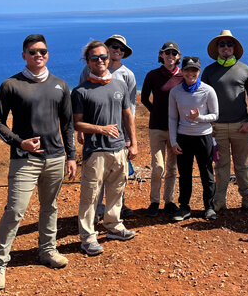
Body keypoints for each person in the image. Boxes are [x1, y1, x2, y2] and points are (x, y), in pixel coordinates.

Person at [0, 33, 77, 291]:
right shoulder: (11, 85)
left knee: (50, 207)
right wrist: (20, 142)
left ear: (48, 55)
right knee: (15, 211)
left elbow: (68, 124)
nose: (39, 55)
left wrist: (71, 156)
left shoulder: (60, 85)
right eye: (33, 51)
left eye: (43, 52)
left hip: (55, 158)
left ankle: (47, 251)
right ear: (24, 55)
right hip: (24, 159)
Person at [71, 40, 138, 255]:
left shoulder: (120, 84)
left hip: (119, 149)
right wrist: (100, 129)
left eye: (103, 57)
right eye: (94, 58)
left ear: (109, 58)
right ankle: (88, 237)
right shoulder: (81, 91)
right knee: (90, 196)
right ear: (87, 61)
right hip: (95, 152)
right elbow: (76, 123)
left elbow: (127, 115)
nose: (100, 61)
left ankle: (114, 226)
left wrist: (133, 143)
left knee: (117, 191)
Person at [79, 35, 135, 220]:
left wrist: (130, 138)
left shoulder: (126, 75)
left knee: (118, 175)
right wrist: (81, 130)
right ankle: (96, 211)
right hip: (95, 139)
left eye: (121, 48)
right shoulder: (88, 73)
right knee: (96, 178)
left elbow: (129, 109)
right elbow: (81, 105)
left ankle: (116, 213)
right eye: (114, 47)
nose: (117, 50)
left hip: (119, 137)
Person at [201, 30, 248, 212]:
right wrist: (208, 124)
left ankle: (247, 198)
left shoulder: (245, 70)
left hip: (241, 125)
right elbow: (202, 99)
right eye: (222, 44)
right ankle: (219, 201)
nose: (225, 47)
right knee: (221, 165)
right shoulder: (209, 71)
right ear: (217, 48)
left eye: (229, 44)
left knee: (242, 164)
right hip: (217, 127)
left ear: (234, 48)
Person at [168, 56, 219, 221]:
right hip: (184, 137)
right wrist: (173, 141)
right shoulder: (175, 92)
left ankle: (209, 207)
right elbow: (172, 118)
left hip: (203, 137)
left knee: (206, 173)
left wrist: (199, 118)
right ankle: (184, 207)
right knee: (185, 174)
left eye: (194, 70)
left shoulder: (208, 90)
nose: (190, 73)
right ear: (182, 71)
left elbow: (215, 115)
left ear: (199, 71)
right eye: (187, 70)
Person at [140, 41, 184, 217]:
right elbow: (143, 98)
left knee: (172, 168)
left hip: (177, 129)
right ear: (161, 55)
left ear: (178, 57)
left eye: (174, 53)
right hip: (157, 128)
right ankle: (154, 201)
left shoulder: (183, 76)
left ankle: (169, 201)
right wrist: (155, 112)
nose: (171, 56)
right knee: (158, 166)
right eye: (167, 53)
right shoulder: (153, 75)